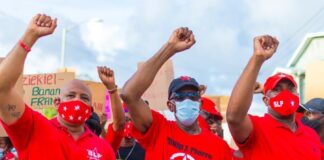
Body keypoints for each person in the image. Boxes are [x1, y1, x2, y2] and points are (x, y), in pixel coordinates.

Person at [0, 14, 114, 159]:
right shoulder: (33, 127)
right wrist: (30, 36)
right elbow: (2, 88)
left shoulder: (103, 148)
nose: (77, 101)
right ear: (57, 102)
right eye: (70, 95)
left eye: (84, 98)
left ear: (91, 109)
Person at [121, 27, 231, 159]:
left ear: (200, 104)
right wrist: (170, 48)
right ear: (170, 105)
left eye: (193, 96)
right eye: (180, 97)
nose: (187, 100)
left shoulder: (219, 147)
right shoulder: (158, 129)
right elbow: (129, 94)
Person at [226, 35, 321, 159]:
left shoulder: (311, 135)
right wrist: (258, 59)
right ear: (266, 100)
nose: (285, 94)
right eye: (277, 90)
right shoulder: (257, 128)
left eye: (291, 89)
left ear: (298, 96)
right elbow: (234, 117)